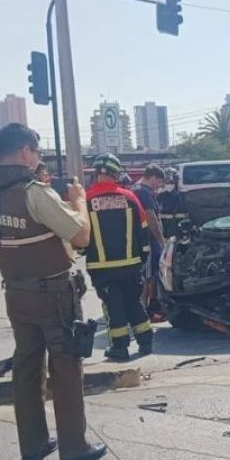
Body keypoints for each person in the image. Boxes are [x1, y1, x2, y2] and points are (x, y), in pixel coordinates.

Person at [0, 123, 106, 460]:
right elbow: (80, 237)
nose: (38, 159)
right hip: (53, 292)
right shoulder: (34, 192)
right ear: (26, 150)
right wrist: (79, 201)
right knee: (66, 365)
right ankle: (74, 446)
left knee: (26, 366)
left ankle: (33, 443)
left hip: (15, 291)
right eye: (37, 152)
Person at [85, 153, 154, 361]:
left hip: (102, 269)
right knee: (134, 302)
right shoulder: (130, 198)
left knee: (113, 307)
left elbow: (81, 236)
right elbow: (144, 231)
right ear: (116, 174)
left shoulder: (87, 200)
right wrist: (141, 259)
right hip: (131, 266)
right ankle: (146, 342)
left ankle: (120, 348)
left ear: (96, 173)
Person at [131, 164, 168, 322]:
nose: (158, 186)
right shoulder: (142, 192)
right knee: (146, 278)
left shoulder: (139, 190)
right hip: (148, 241)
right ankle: (143, 313)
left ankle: (150, 309)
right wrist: (161, 240)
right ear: (152, 177)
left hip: (145, 240)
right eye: (158, 181)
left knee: (151, 276)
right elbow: (152, 218)